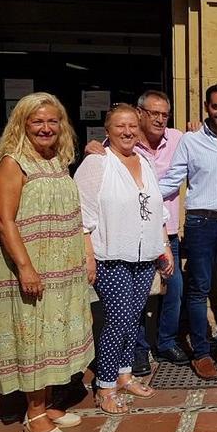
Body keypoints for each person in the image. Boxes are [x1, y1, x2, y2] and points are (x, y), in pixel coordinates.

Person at [0, 92, 95, 432]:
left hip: (63, 268)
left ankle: (47, 404)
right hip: (31, 265)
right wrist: (25, 268)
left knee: (56, 336)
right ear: (22, 124)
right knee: (34, 337)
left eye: (53, 121)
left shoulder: (58, 161)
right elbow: (4, 221)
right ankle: (32, 415)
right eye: (37, 121)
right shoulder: (12, 162)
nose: (46, 128)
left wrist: (85, 256)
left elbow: (74, 215)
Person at [74, 104, 174, 413]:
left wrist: (164, 245)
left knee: (133, 318)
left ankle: (124, 374)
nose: (127, 131)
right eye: (120, 126)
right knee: (117, 319)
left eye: (132, 126)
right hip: (110, 256)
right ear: (107, 131)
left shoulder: (143, 161)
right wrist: (88, 255)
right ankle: (105, 385)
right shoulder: (97, 163)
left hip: (143, 255)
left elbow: (158, 207)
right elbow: (83, 213)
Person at [84, 90, 191, 375]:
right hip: (122, 244)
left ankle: (154, 350)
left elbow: (154, 200)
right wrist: (88, 254)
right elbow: (85, 205)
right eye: (153, 113)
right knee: (126, 310)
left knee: (165, 294)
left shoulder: (172, 143)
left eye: (164, 114)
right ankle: (125, 364)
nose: (159, 119)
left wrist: (196, 128)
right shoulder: (108, 152)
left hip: (158, 237)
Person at [159, 84, 217, 380]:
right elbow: (173, 179)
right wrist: (140, 191)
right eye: (216, 107)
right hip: (201, 224)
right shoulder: (191, 141)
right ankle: (201, 353)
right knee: (198, 290)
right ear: (206, 108)